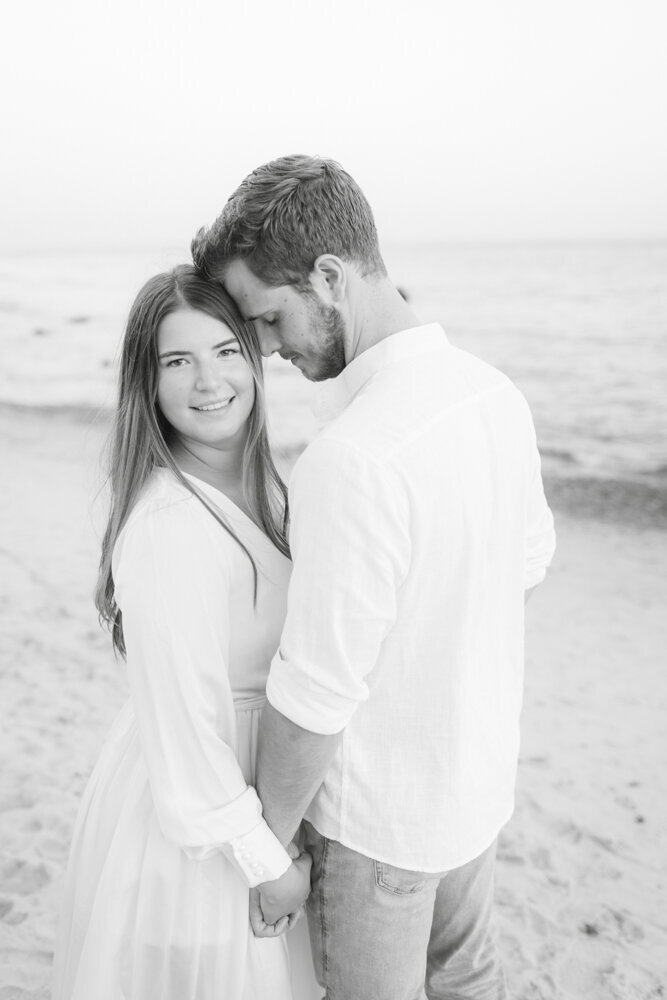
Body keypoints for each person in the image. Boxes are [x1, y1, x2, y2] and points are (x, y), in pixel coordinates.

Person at [191, 155, 557, 1000]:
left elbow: (315, 695)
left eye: (270, 319)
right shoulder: (491, 393)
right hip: (475, 790)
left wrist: (271, 845)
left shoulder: (350, 458)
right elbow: (525, 565)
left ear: (328, 277)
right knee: (470, 982)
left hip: (380, 825)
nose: (270, 350)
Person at [51, 265, 320, 1000]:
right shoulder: (169, 525)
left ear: (257, 358)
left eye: (226, 350)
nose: (209, 381)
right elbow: (186, 727)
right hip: (197, 817)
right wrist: (266, 864)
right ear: (149, 383)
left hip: (251, 790)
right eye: (178, 361)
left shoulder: (268, 486)